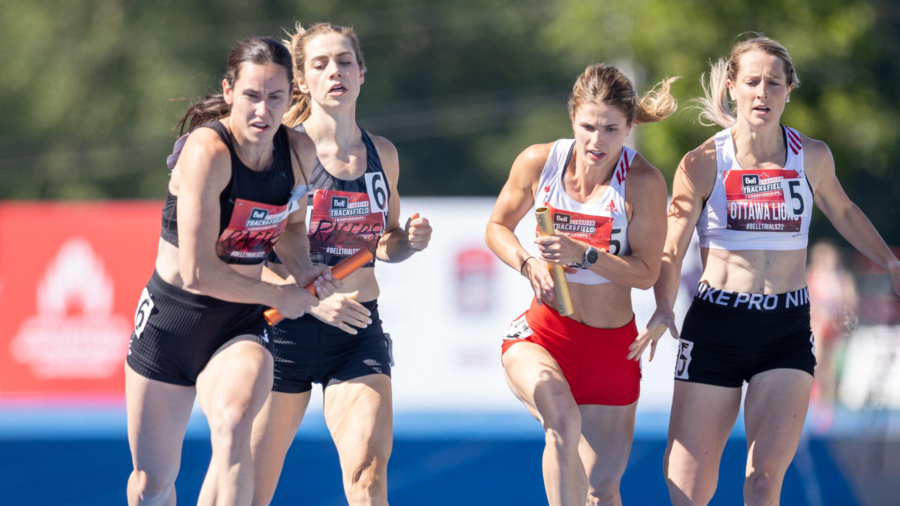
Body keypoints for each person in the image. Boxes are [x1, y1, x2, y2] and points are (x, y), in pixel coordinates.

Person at [631, 35, 900, 506]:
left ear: (789, 90)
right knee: (687, 488)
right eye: (752, 82)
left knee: (763, 480)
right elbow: (672, 249)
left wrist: (891, 262)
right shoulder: (702, 163)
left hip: (785, 327)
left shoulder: (811, 156)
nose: (762, 93)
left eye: (773, 83)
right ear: (732, 87)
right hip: (716, 325)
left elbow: (845, 211)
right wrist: (661, 306)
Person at [125, 36, 339, 506]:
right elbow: (198, 271)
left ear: (291, 98)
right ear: (228, 91)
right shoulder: (207, 152)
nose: (263, 111)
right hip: (172, 323)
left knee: (235, 424)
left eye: (276, 98)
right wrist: (281, 295)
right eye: (252, 96)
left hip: (237, 326)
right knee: (152, 483)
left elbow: (289, 226)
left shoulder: (298, 151)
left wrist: (305, 270)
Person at [248, 23, 432, 506]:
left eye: (345, 61)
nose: (335, 71)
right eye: (320, 64)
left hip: (355, 332)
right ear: (302, 81)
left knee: (368, 475)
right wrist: (309, 302)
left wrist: (408, 242)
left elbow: (382, 244)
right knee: (247, 488)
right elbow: (250, 257)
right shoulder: (281, 152)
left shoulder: (383, 154)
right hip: (282, 329)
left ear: (362, 73)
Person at [485, 64, 676, 506]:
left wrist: (585, 254)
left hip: (613, 349)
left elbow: (647, 273)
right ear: (572, 118)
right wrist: (527, 262)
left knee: (603, 489)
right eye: (588, 126)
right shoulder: (539, 161)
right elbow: (497, 226)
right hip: (545, 336)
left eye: (611, 129)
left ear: (629, 127)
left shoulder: (643, 181)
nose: (597, 140)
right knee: (563, 426)